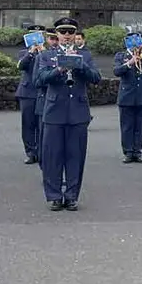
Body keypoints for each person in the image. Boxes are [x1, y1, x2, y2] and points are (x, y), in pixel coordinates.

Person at [36, 17, 101, 211]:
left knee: (76, 156)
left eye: (70, 32)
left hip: (78, 112)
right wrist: (59, 69)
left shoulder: (85, 55)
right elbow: (39, 80)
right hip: (54, 111)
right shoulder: (46, 55)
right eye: (62, 32)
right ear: (56, 35)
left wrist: (80, 65)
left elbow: (96, 78)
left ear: (75, 35)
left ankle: (72, 195)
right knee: (52, 156)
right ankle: (54, 195)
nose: (66, 36)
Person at [112, 31, 142, 164]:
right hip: (126, 96)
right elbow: (116, 71)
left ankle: (137, 151)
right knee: (127, 126)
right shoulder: (120, 56)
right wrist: (130, 63)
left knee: (140, 125)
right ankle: (128, 151)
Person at [16, 24, 47, 164]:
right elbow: (21, 66)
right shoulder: (24, 52)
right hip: (27, 92)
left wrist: (42, 52)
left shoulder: (47, 52)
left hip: (42, 92)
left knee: (42, 124)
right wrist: (31, 52)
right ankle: (30, 152)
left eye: (39, 35)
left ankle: (42, 151)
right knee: (27, 124)